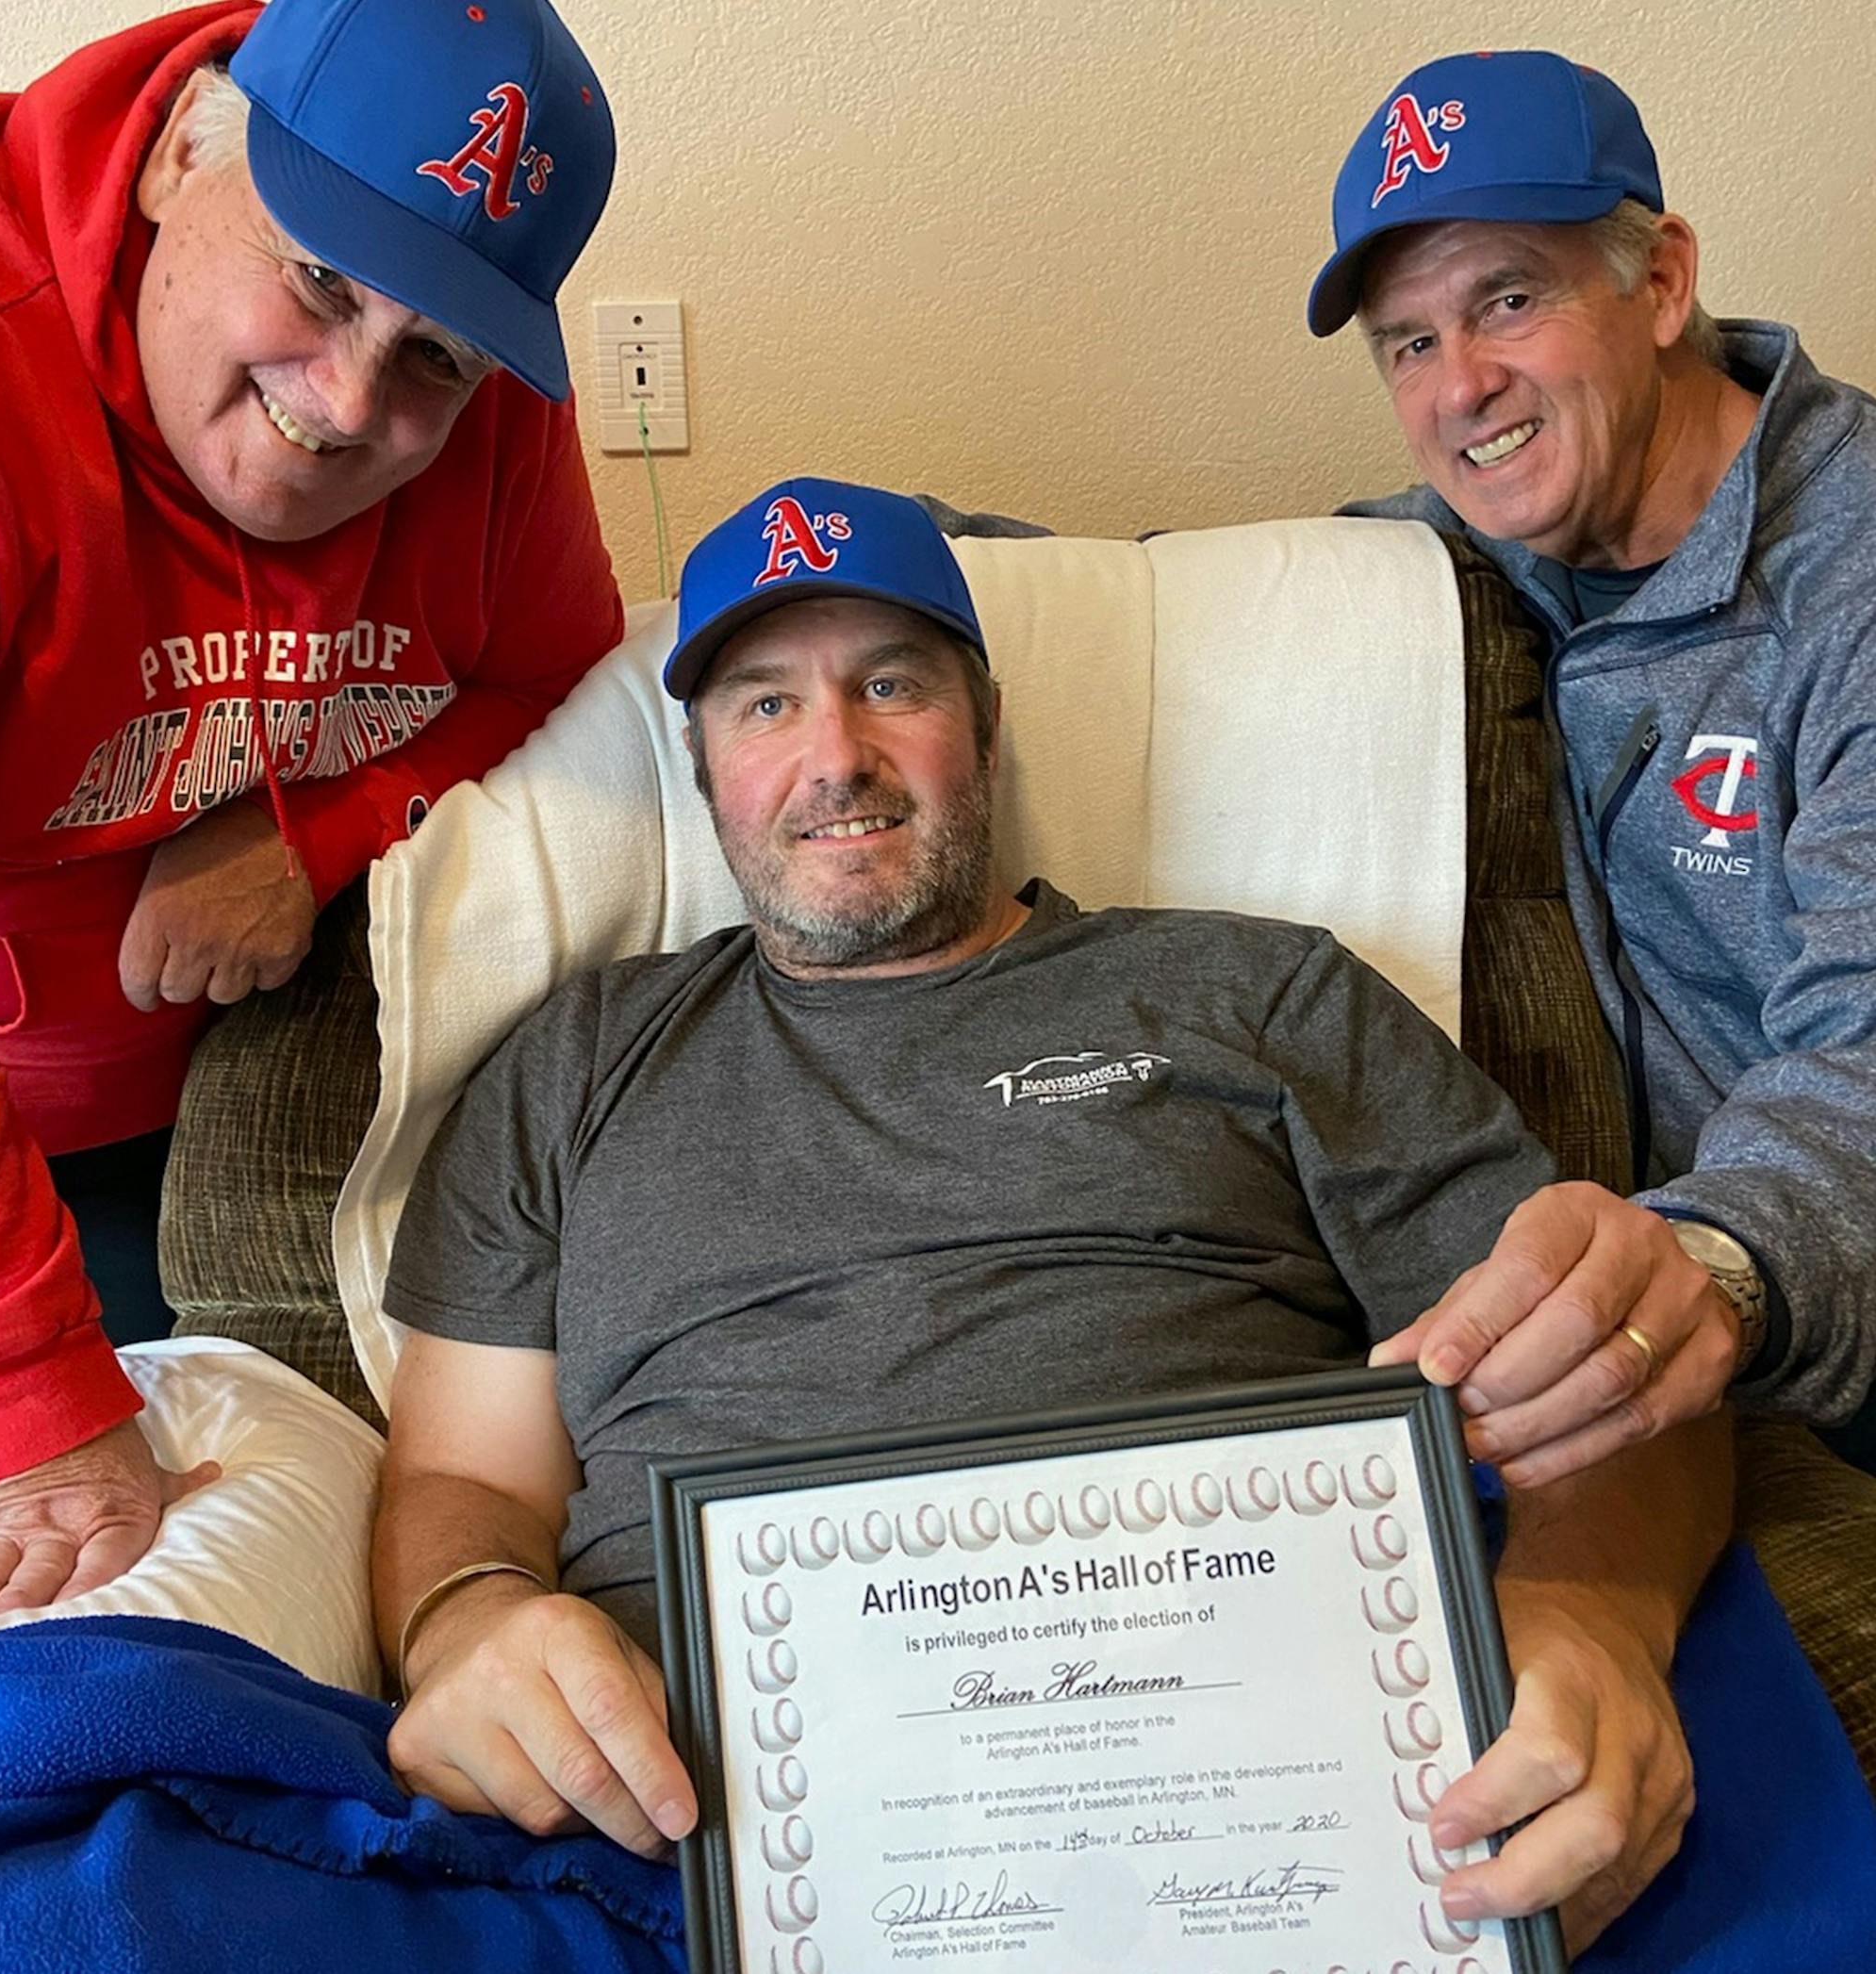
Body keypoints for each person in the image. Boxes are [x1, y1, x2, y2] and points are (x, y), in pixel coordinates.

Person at [372, 478, 1733, 1955]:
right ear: (702, 773)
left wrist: (1595, 1612)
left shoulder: (1261, 993)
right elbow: (463, 1473)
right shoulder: (571, 1064)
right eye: (765, 707)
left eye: (892, 685)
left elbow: (1608, 1358)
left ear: (989, 726)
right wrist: (468, 1619)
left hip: (1262, 1785)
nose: (835, 756)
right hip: (697, 1821)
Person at [0, 0, 624, 1616]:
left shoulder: (491, 410)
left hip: (171, 1122)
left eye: (432, 356)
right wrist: (17, 1399)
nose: (348, 401)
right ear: (187, 142)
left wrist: (311, 834)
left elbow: (551, 682)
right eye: (321, 277)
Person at [1308, 50, 1876, 1477]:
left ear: (1664, 279)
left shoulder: (1853, 576)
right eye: (1410, 342)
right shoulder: (1480, 543)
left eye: (1509, 297)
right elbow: (1179, 590)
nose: (1465, 385)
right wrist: (876, 572)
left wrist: (1722, 1258)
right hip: (1654, 1341)